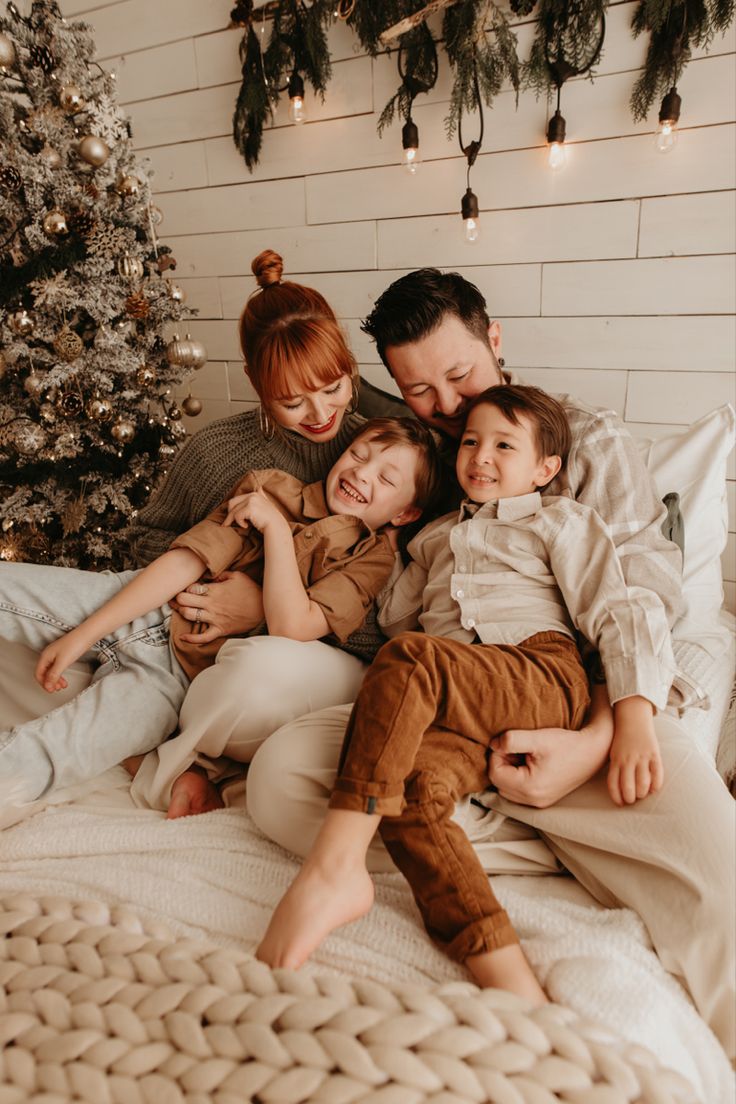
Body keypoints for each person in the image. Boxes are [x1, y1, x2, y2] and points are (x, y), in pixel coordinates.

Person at [245, 268, 735, 1058]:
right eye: (418, 393)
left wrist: (601, 736)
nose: (446, 409)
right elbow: (379, 608)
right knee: (278, 778)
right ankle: (482, 840)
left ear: (495, 341)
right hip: (452, 709)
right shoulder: (428, 469)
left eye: (460, 378)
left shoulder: (580, 446)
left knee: (723, 895)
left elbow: (636, 598)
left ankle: (496, 833)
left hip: (577, 708)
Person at [256, 385, 676, 1003]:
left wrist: (632, 717)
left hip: (537, 673)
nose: (480, 456)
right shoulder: (431, 539)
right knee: (414, 795)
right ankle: (511, 983)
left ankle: (333, 869)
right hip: (461, 693)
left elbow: (618, 609)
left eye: (504, 445)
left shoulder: (558, 519)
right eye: (472, 442)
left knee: (409, 663)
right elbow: (397, 621)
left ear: (545, 469)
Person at [0, 415, 439, 806]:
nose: (362, 473)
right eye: (358, 455)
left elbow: (293, 626)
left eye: (386, 479)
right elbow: (185, 560)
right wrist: (82, 635)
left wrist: (276, 535)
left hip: (173, 679)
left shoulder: (372, 561)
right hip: (139, 601)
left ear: (406, 513)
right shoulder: (269, 487)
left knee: (52, 753)